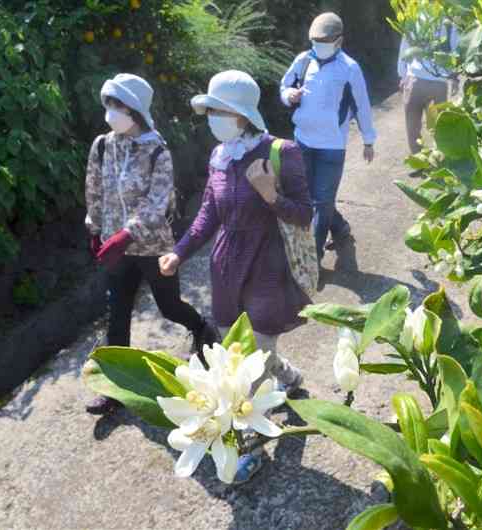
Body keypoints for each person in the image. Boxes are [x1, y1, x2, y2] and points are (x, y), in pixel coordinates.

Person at [158, 70, 313, 483]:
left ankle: (246, 450)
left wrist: (269, 194)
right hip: (226, 267)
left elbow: (304, 213)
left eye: (218, 110)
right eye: (208, 110)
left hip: (268, 267)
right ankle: (292, 378)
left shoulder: (283, 152)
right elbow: (208, 214)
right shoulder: (220, 156)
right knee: (238, 353)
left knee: (246, 372)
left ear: (243, 115)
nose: (211, 116)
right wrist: (178, 251)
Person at [84, 73, 217, 415]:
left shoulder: (157, 151)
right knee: (118, 313)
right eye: (109, 104)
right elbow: (94, 188)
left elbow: (158, 201)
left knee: (169, 306)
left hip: (153, 245)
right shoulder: (102, 145)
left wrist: (128, 232)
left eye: (120, 105)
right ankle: (115, 388)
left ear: (137, 111)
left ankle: (202, 329)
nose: (112, 112)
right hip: (116, 248)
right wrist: (95, 227)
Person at [279, 12, 377, 263]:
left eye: (324, 41)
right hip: (302, 140)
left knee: (321, 203)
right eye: (315, 42)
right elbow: (284, 86)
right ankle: (341, 228)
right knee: (312, 196)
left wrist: (368, 140)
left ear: (339, 41)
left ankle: (314, 257)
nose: (318, 46)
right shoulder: (303, 61)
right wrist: (289, 95)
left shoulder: (349, 68)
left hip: (332, 146)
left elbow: (362, 105)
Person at [398, 21, 460, 170]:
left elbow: (456, 50)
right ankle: (420, 163)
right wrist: (402, 74)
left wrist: (454, 77)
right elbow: (405, 45)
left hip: (437, 81)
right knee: (413, 125)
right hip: (416, 79)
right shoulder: (415, 17)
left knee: (438, 126)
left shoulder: (449, 23)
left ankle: (439, 161)